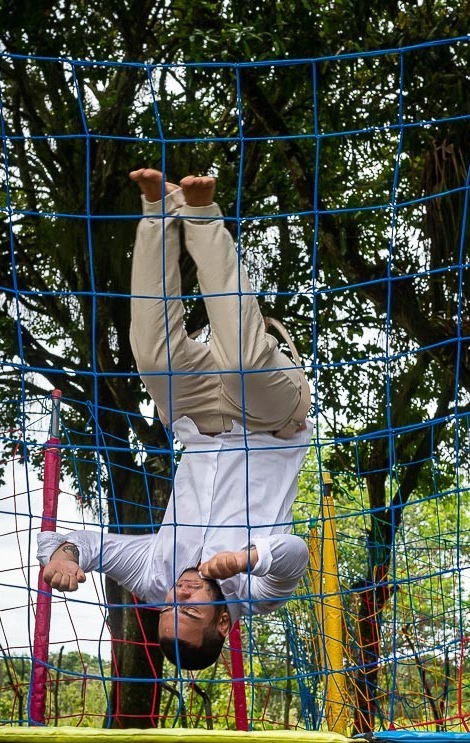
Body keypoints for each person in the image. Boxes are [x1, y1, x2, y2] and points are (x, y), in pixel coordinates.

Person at [39, 170, 313, 671]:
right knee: (243, 364)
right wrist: (249, 558)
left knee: (150, 354)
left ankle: (158, 209)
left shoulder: (155, 575)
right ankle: (204, 216)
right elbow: (295, 554)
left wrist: (62, 555)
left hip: (198, 420)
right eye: (190, 609)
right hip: (273, 421)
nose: (179, 594)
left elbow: (87, 545)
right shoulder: (255, 595)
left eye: (169, 606)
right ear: (223, 624)